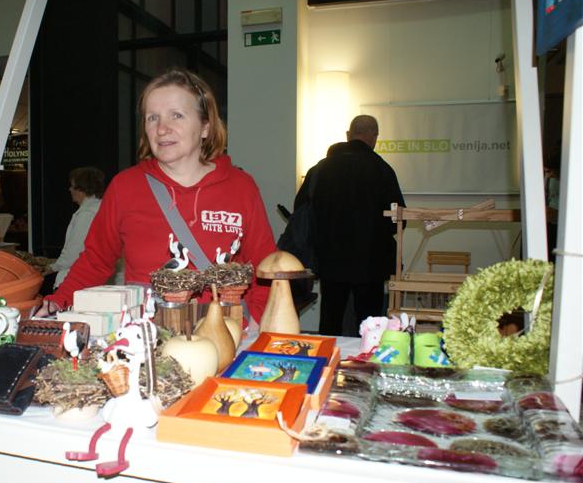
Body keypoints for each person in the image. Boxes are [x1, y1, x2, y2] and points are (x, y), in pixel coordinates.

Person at [38, 68, 277, 324]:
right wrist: (58, 301)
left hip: (225, 334)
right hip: (147, 337)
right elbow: (95, 260)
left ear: (205, 126)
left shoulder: (240, 187)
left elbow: (265, 268)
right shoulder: (126, 187)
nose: (162, 129)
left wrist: (257, 322)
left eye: (177, 115)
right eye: (152, 118)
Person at [295, 115, 405, 336]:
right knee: (370, 324)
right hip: (371, 262)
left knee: (331, 320)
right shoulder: (382, 169)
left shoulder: (320, 169)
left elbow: (301, 210)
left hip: (330, 261)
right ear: (374, 137)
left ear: (348, 135)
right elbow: (399, 218)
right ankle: (366, 357)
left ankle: (329, 355)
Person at [50, 167, 106, 289]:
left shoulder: (87, 214)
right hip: (96, 279)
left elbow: (74, 252)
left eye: (72, 186)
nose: (69, 189)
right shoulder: (102, 208)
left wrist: (51, 267)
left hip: (78, 281)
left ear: (82, 189)